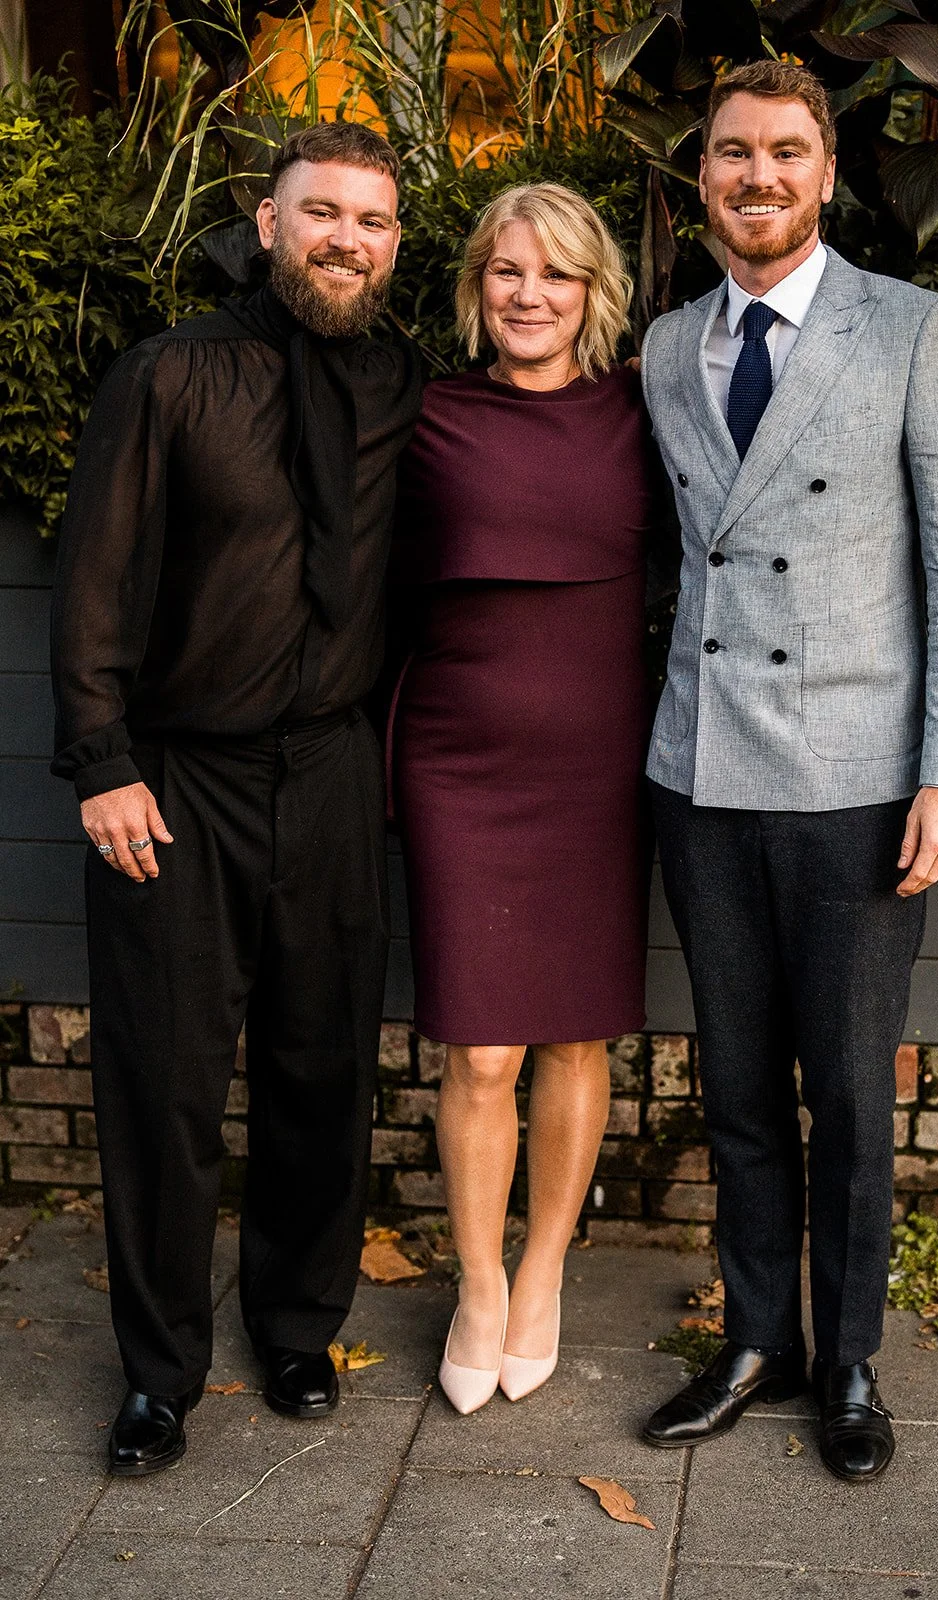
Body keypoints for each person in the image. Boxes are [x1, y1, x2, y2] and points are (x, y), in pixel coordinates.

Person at [639, 61, 938, 1481]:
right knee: (733, 1085)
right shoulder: (666, 346)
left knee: (846, 1093)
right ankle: (752, 1340)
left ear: (826, 171)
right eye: (731, 154)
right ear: (702, 177)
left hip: (855, 776)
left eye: (784, 153)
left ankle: (845, 1358)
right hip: (701, 771)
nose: (756, 178)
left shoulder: (913, 331)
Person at [50, 122, 422, 1474]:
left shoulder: (399, 381)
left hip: (329, 771)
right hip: (177, 778)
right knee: (163, 1082)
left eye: (370, 221)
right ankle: (159, 1373)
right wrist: (100, 762)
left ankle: (296, 1329)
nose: (345, 239)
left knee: (323, 1065)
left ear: (392, 244)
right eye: (320, 213)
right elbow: (92, 577)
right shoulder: (169, 377)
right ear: (268, 225)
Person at [391, 183, 665, 1414]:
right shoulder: (422, 411)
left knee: (572, 1032)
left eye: (554, 275)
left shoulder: (641, 411)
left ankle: (545, 1267)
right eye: (506, 271)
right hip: (458, 760)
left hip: (600, 761)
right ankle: (478, 1282)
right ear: (474, 287)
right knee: (482, 1043)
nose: (528, 294)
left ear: (591, 291)